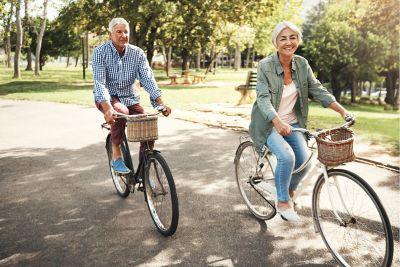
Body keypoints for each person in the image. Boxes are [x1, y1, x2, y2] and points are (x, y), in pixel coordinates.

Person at [249, 21, 352, 224]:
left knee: (305, 162)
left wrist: (342, 111)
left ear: (298, 40)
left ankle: (289, 189)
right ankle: (282, 202)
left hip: (293, 122)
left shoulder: (302, 64)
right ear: (276, 42)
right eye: (283, 38)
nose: (288, 42)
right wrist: (277, 122)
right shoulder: (265, 66)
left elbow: (317, 89)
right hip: (269, 123)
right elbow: (263, 99)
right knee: (286, 158)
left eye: (292, 37)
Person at [92, 17, 171, 174]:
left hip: (130, 97)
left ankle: (144, 173)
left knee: (146, 124)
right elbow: (100, 83)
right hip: (108, 97)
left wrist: (160, 103)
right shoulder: (100, 52)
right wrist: (108, 108)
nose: (123, 35)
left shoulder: (137, 53)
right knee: (121, 111)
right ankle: (116, 156)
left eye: (125, 31)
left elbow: (148, 79)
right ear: (110, 34)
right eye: (119, 32)